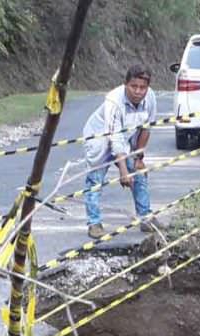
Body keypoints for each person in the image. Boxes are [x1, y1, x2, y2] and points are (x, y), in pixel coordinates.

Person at [81, 64, 159, 239]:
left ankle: (145, 217)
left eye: (142, 87)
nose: (138, 91)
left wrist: (139, 157)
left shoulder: (151, 97)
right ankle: (94, 223)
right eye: (134, 86)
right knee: (95, 179)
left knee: (139, 173)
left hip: (126, 135)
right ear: (125, 84)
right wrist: (123, 173)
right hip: (99, 137)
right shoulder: (113, 102)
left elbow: (146, 128)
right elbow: (114, 139)